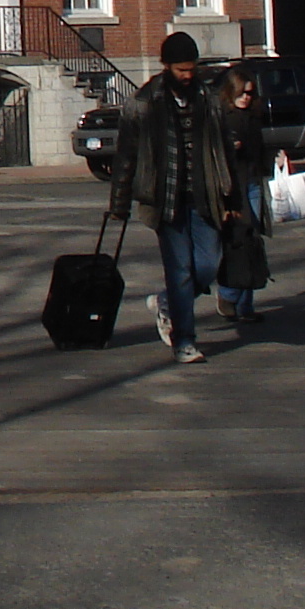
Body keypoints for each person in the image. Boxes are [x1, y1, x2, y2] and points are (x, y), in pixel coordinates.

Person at [108, 31, 238, 364]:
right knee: (180, 269)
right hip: (165, 199)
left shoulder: (208, 100)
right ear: (166, 67)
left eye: (191, 68)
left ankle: (167, 302)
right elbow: (126, 155)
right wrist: (119, 203)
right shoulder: (145, 102)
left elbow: (224, 151)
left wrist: (233, 198)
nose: (188, 75)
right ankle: (185, 341)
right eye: (181, 69)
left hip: (205, 196)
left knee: (209, 264)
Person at [214, 65, 273, 324]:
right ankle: (229, 295)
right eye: (242, 93)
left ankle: (244, 304)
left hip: (253, 182)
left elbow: (259, 152)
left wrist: (276, 160)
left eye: (250, 93)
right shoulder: (224, 118)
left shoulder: (253, 117)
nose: (246, 98)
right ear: (231, 92)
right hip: (233, 187)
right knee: (237, 241)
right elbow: (215, 157)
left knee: (252, 241)